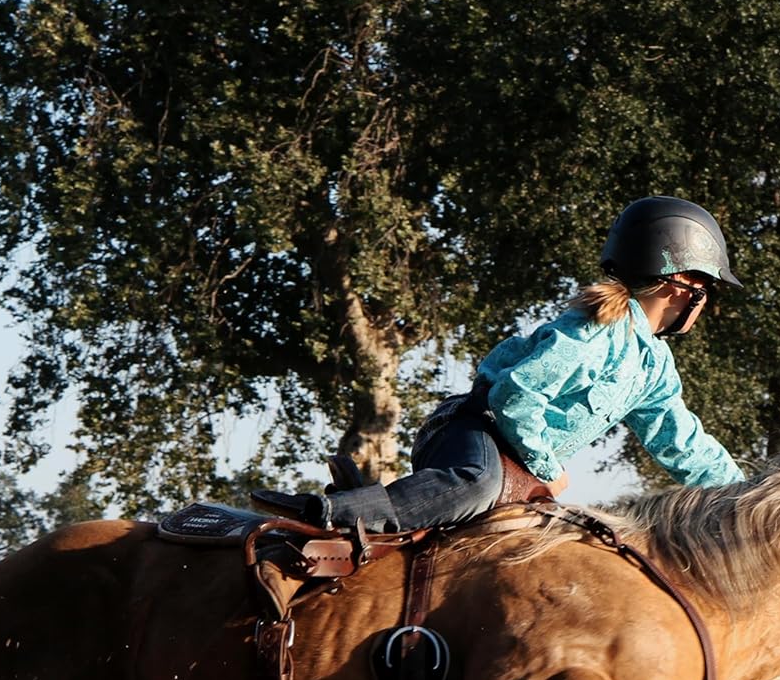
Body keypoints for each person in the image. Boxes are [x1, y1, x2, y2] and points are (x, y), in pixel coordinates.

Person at [253, 196, 745, 531]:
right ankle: (332, 515)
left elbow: (683, 443)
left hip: (520, 460)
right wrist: (547, 466)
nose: (705, 302)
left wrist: (745, 496)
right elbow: (515, 395)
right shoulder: (595, 331)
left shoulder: (654, 367)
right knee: (477, 481)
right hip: (474, 430)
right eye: (706, 288)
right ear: (682, 285)